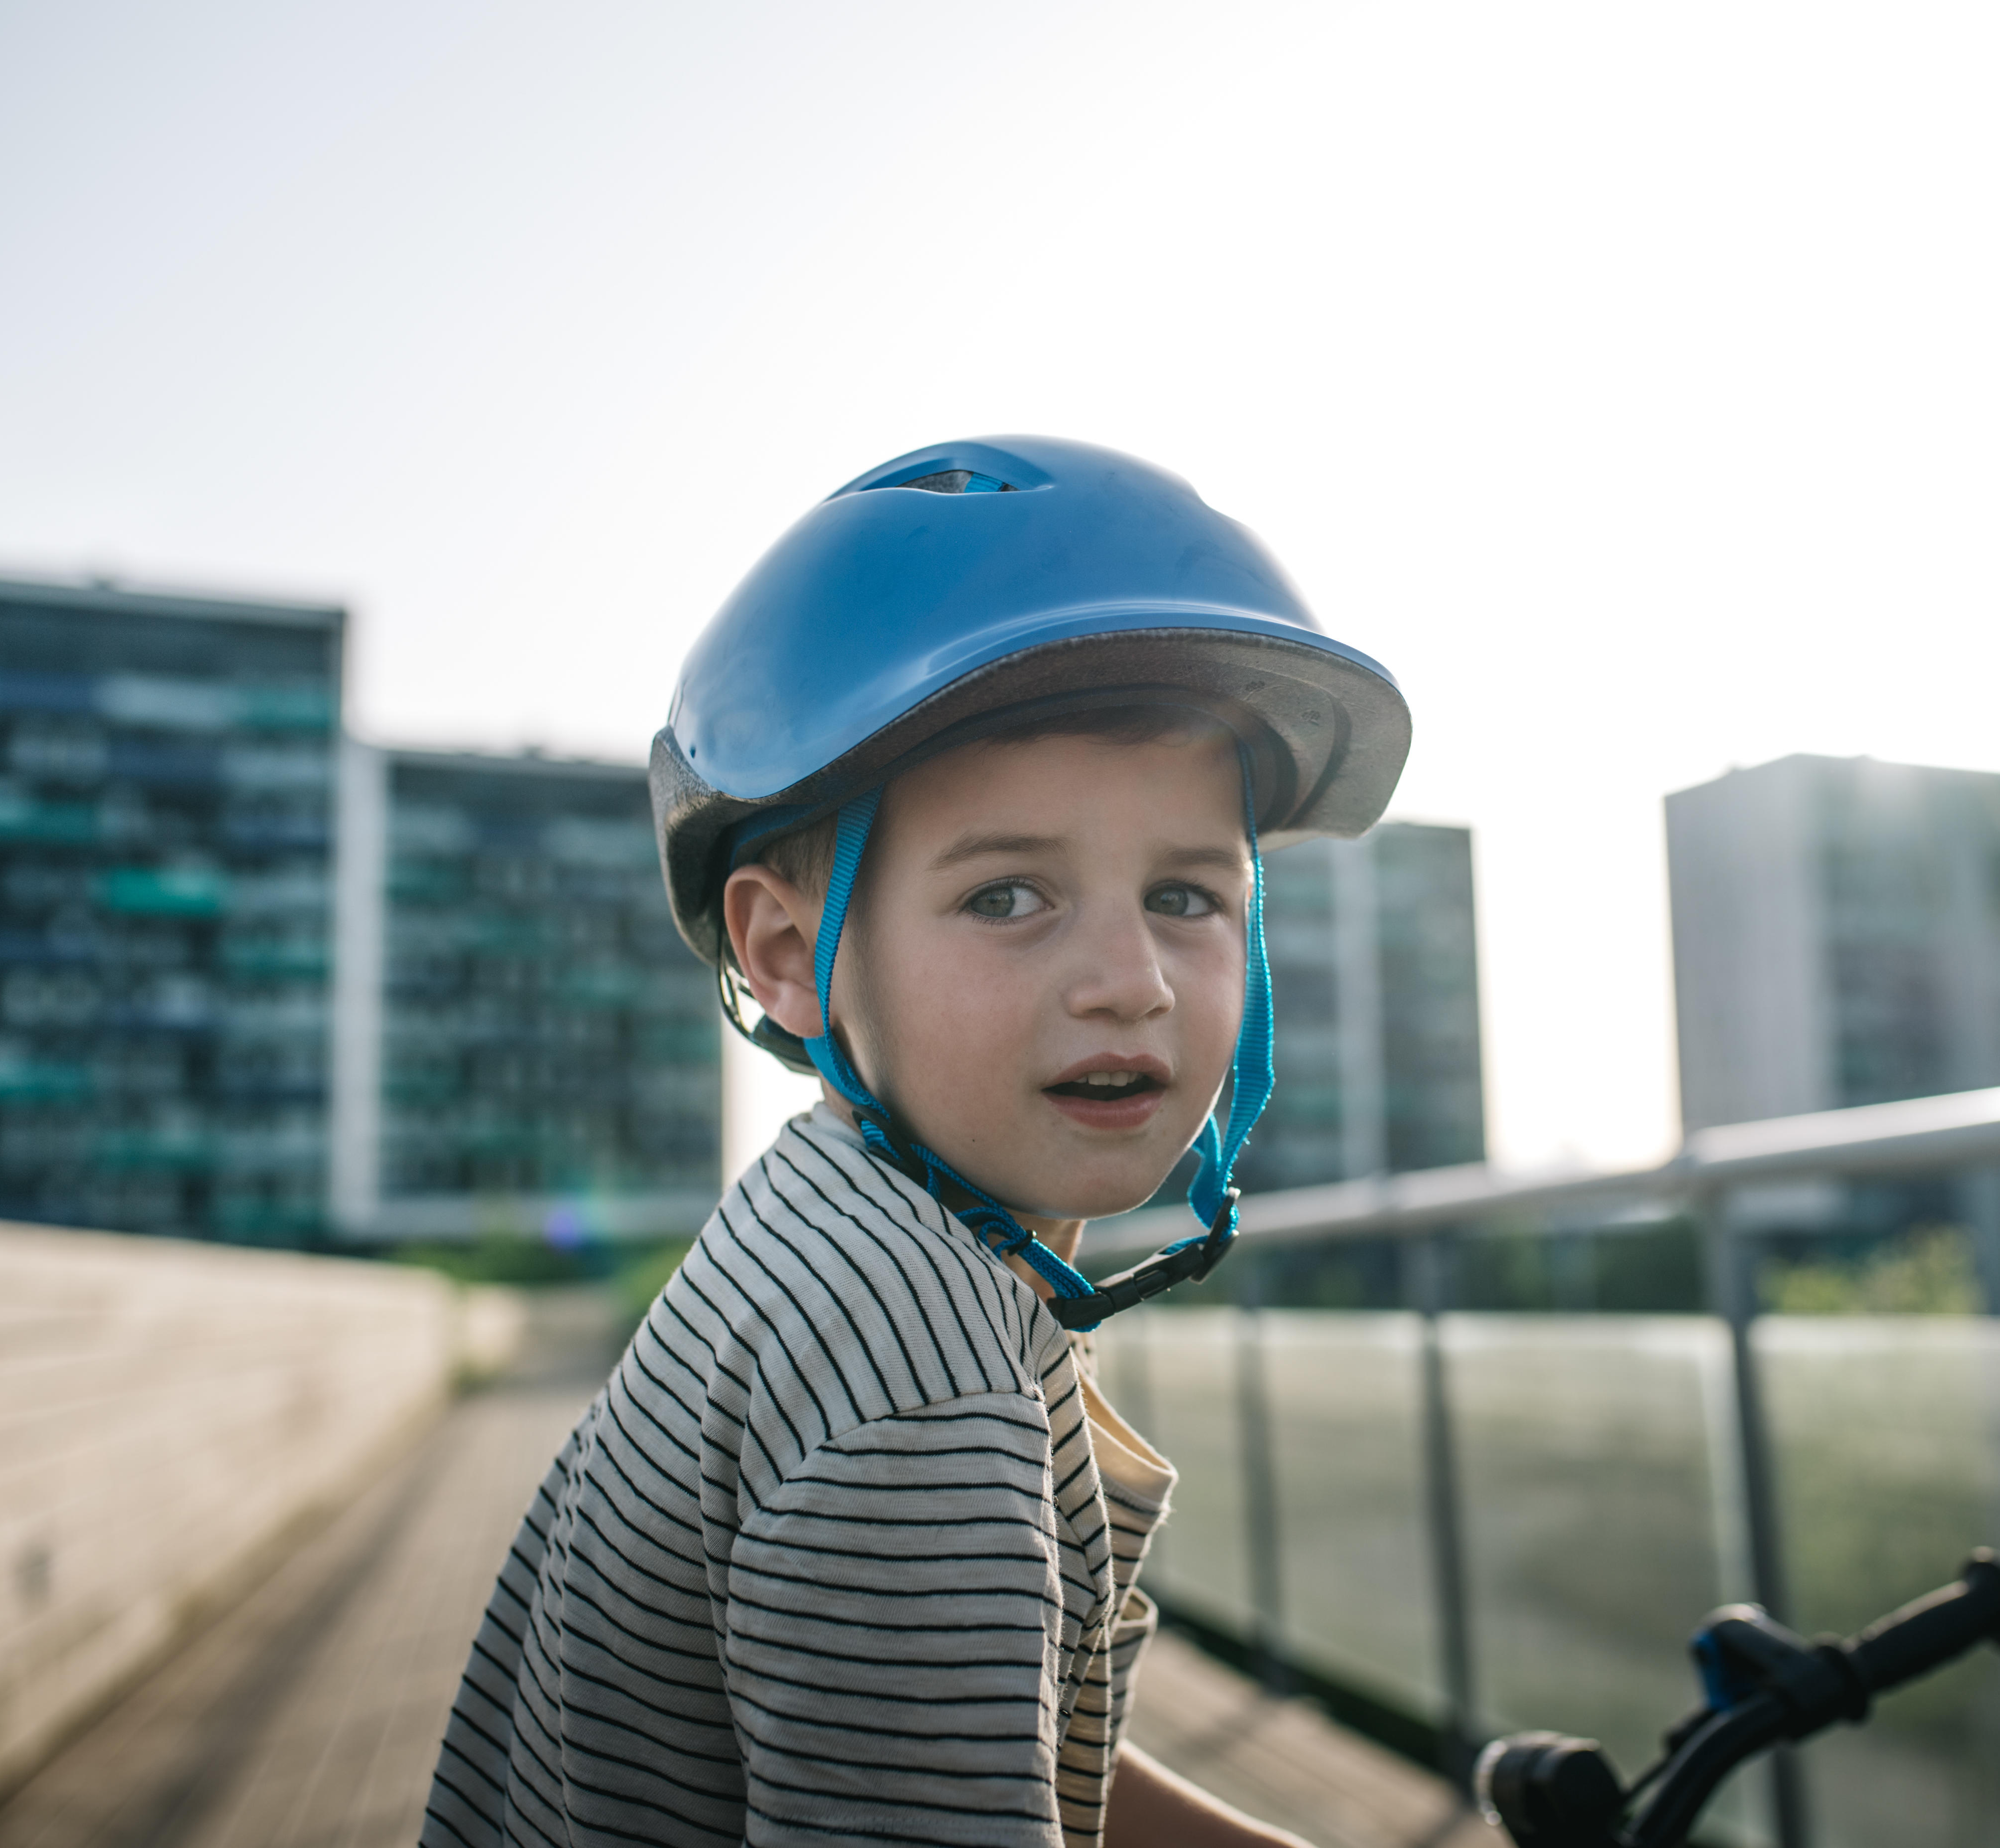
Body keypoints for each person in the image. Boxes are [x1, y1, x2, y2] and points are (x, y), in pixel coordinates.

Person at [421, 436, 1411, 1848]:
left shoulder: (827, 1228)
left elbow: (962, 1749)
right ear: (786, 953)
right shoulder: (918, 1396)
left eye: (1188, 894)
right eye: (1009, 895)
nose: (1127, 977)